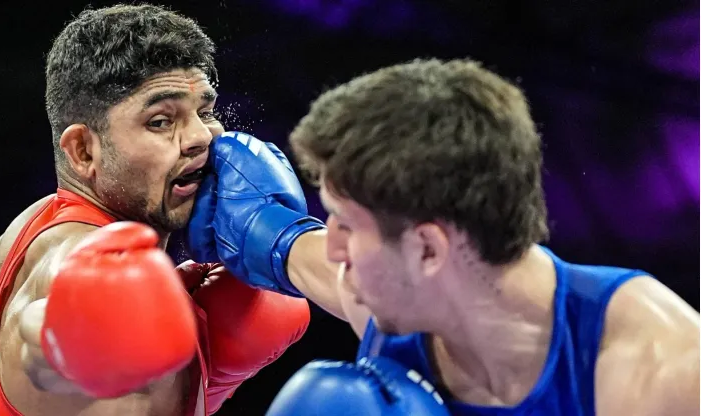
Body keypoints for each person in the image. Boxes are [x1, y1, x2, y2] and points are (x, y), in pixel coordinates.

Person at [185, 59, 701, 415]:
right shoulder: (387, 295)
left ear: (428, 249)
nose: (334, 246)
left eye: (346, 223)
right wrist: (262, 226)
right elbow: (296, 251)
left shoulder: (667, 373)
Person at [0, 5, 310, 416]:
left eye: (205, 112)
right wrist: (91, 332)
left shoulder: (32, 224)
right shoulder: (76, 264)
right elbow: (47, 324)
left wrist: (201, 386)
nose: (201, 136)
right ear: (83, 150)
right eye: (161, 121)